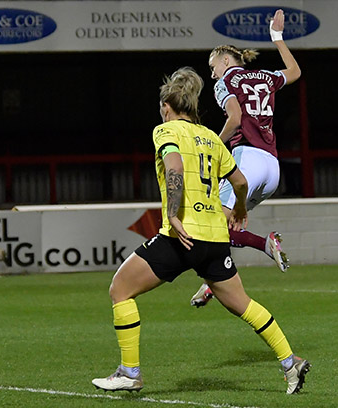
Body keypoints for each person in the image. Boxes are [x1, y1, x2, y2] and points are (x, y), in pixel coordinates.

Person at [90, 67, 310, 394]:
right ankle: (290, 362)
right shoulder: (211, 137)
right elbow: (240, 181)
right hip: (216, 239)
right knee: (243, 304)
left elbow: (174, 167)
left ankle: (129, 372)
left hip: (183, 235)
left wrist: (173, 213)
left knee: (120, 289)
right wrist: (238, 209)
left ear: (167, 106)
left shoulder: (165, 131)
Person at [191, 9, 301, 307]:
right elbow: (294, 73)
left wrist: (212, 143)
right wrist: (276, 38)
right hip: (272, 168)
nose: (212, 73)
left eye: (213, 66)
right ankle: (211, 284)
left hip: (247, 159)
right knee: (224, 228)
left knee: (214, 225)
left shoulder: (225, 82)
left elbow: (236, 118)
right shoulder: (265, 76)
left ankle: (264, 244)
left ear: (226, 61)